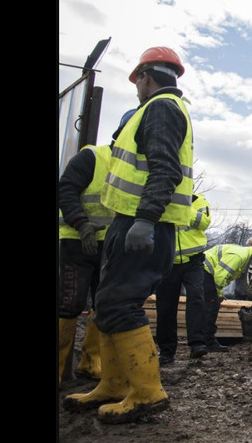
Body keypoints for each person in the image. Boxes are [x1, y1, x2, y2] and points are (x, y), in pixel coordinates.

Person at [63, 46, 194, 424]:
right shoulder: (159, 109)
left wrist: (146, 220)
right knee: (107, 303)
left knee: (121, 305)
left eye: (136, 81)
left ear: (143, 77)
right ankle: (115, 384)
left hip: (144, 224)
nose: (136, 87)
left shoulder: (160, 108)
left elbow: (164, 169)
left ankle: (148, 393)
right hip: (135, 221)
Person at [57, 108, 137, 384]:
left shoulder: (134, 168)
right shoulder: (93, 156)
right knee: (69, 303)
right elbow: (65, 189)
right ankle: (60, 369)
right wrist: (81, 223)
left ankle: (90, 363)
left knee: (102, 304)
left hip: (109, 247)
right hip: (76, 242)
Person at [154, 192, 212, 365]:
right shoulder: (160, 196)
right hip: (167, 260)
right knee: (165, 305)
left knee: (196, 297)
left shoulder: (198, 200)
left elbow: (204, 222)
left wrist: (182, 207)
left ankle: (197, 344)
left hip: (193, 259)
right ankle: (166, 351)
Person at [201, 238, 252, 351]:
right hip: (205, 269)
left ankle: (204, 340)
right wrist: (218, 295)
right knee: (211, 305)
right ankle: (208, 342)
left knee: (210, 305)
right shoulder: (239, 257)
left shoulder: (245, 256)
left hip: (206, 270)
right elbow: (219, 276)